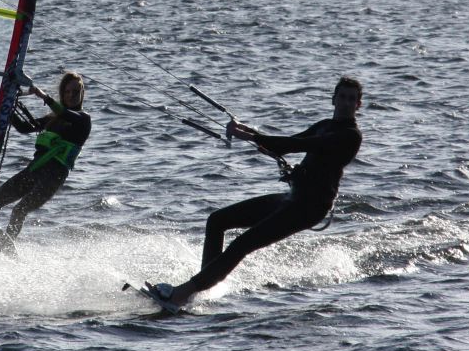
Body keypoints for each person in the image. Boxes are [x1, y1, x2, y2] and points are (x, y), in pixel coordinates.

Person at [151, 76, 363, 308]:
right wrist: (245, 129)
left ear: (358, 105)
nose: (345, 103)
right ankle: (198, 290)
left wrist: (248, 136)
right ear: (333, 99)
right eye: (342, 97)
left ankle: (181, 294)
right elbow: (290, 140)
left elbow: (297, 146)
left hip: (310, 208)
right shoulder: (324, 125)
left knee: (242, 243)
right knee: (217, 220)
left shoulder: (350, 136)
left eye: (351, 99)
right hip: (292, 199)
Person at [0, 71, 92, 240]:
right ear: (63, 93)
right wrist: (4, 105)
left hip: (53, 177)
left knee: (19, 210)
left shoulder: (84, 120)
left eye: (76, 92)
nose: (71, 95)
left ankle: (7, 244)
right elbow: (25, 127)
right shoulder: (53, 118)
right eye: (67, 92)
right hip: (34, 170)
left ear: (82, 94)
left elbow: (66, 114)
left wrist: (43, 96)